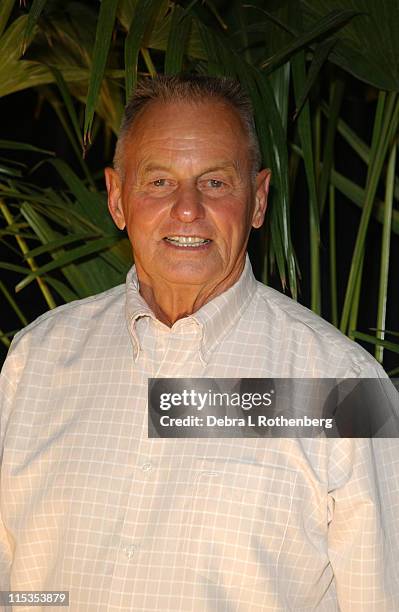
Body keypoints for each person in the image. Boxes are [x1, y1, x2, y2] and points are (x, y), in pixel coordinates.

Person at [0, 75, 398, 611]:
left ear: (258, 201)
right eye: (159, 182)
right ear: (117, 198)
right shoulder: (35, 362)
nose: (187, 209)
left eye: (215, 182)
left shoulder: (344, 391)